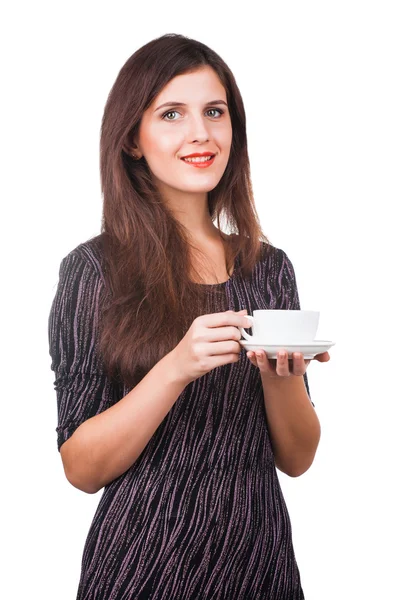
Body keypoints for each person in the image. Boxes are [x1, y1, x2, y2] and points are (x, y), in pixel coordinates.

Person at [48, 33, 329, 600]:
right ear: (132, 138)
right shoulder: (94, 270)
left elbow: (296, 459)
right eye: (172, 113)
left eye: (215, 112)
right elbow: (81, 468)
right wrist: (174, 367)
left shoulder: (268, 268)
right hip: (142, 566)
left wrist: (285, 378)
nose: (200, 133)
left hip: (260, 563)